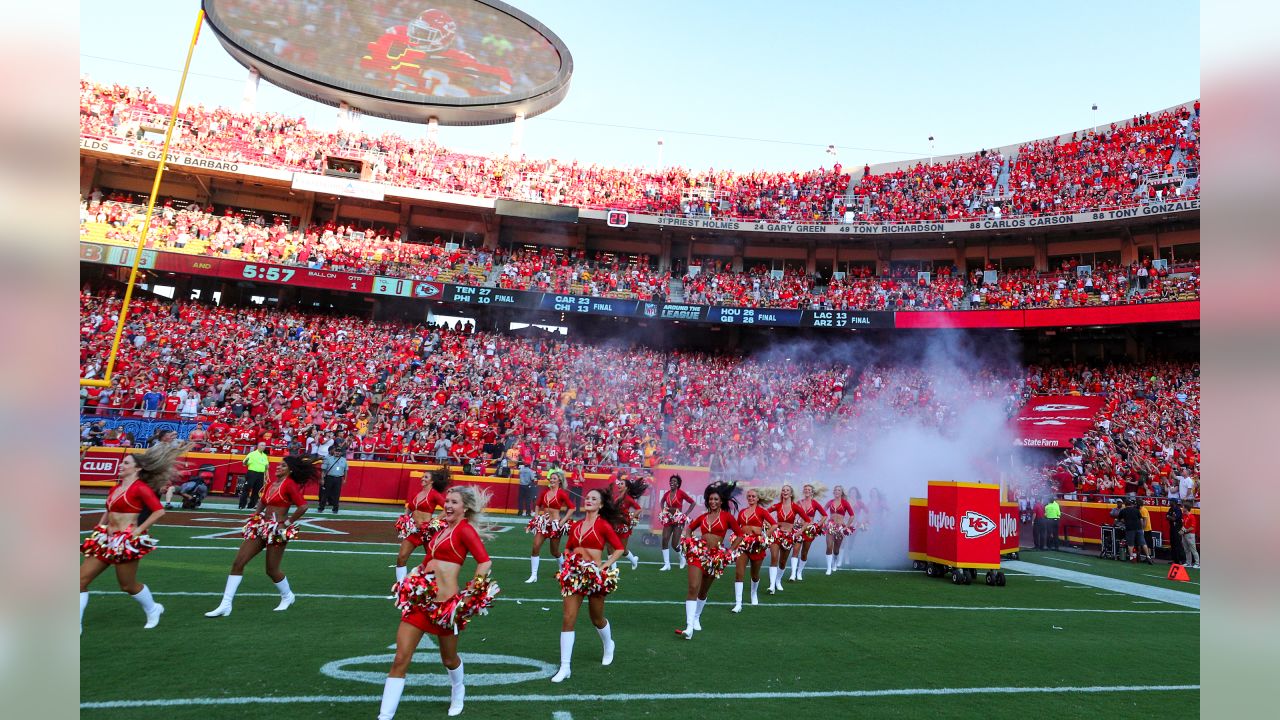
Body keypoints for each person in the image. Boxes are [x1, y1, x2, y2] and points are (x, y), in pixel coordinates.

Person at [378, 485, 497, 718]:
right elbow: (429, 559)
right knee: (401, 658)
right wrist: (416, 573)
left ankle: (458, 689)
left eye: (454, 502)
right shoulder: (441, 529)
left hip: (446, 608)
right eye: (447, 501)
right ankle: (384, 716)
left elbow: (484, 561)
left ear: (465, 508)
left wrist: (474, 590)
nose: (448, 505)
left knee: (449, 658)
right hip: (422, 604)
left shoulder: (464, 531)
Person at [79, 442, 188, 633]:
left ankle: (153, 608)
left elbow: (158, 511)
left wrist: (138, 531)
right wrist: (101, 525)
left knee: (127, 585)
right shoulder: (115, 488)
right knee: (79, 581)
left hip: (125, 542)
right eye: (122, 463)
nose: (121, 466)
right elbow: (109, 509)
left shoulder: (140, 489)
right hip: (105, 540)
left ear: (137, 468)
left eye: (126, 463)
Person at [205, 454, 323, 617]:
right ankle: (225, 604)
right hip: (261, 526)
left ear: (290, 470)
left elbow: (303, 507)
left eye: (282, 466)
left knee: (271, 570)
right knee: (238, 562)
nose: (278, 467)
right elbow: (262, 501)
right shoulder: (270, 484)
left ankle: (288, 596)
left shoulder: (289, 485)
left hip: (278, 530)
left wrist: (287, 523)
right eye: (279, 465)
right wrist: (256, 515)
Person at [550, 487, 626, 683]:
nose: (589, 500)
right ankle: (565, 667)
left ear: (600, 505)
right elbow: (568, 547)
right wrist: (568, 557)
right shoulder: (576, 525)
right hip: (575, 576)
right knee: (568, 618)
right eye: (588, 497)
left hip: (595, 577)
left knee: (597, 618)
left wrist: (605, 565)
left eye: (594, 499)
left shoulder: (603, 525)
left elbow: (619, 549)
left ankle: (609, 644)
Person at [676, 481, 742, 639]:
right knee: (693, 587)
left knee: (703, 591)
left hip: (715, 558)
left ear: (721, 502)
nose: (713, 502)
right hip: (699, 554)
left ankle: (697, 616)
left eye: (716, 499)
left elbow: (739, 534)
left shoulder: (727, 517)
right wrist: (689, 542)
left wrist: (729, 551)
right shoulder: (703, 516)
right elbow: (689, 528)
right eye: (710, 499)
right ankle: (689, 627)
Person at [394, 468, 450, 584]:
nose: (422, 478)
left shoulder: (434, 494)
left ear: (432, 481)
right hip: (414, 531)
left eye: (426, 477)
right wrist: (404, 518)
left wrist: (436, 519)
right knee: (401, 558)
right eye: (423, 476)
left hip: (427, 532)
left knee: (433, 560)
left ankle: (441, 585)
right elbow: (410, 508)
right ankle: (400, 587)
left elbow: (447, 508)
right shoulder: (417, 493)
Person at [525, 471, 574, 584]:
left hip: (555, 525)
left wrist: (562, 521)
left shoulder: (561, 493)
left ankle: (563, 570)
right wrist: (537, 517)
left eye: (554, 478)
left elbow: (572, 508)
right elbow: (537, 505)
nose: (551, 480)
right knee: (535, 546)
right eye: (551, 478)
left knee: (554, 551)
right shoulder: (545, 492)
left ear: (559, 481)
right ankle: (533, 575)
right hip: (543, 524)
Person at [731, 488, 773, 612]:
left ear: (757, 498)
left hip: (756, 545)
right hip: (743, 544)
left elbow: (774, 524)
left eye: (753, 496)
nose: (751, 498)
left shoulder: (762, 511)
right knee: (739, 573)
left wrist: (765, 536)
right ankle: (738, 604)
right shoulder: (742, 512)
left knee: (754, 575)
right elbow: (737, 526)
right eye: (749, 496)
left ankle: (753, 593)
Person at [767, 484, 811, 594]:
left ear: (791, 493)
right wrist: (770, 526)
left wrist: (798, 533)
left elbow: (807, 521)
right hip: (777, 535)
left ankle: (778, 581)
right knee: (774, 557)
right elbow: (764, 514)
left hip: (789, 537)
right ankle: (772, 586)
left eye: (787, 490)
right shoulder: (777, 505)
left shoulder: (795, 507)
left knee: (782, 562)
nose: (785, 491)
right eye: (783, 490)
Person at [657, 474, 695, 571]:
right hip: (669, 519)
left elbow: (693, 502)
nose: (672, 483)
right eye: (671, 481)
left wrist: (685, 514)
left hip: (678, 520)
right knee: (665, 539)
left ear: (678, 484)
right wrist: (663, 511)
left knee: (674, 544)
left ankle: (682, 557)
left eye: (674, 481)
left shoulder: (681, 493)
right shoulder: (666, 494)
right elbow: (662, 502)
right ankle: (667, 564)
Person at [792, 483, 828, 581]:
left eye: (809, 489)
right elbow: (792, 513)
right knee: (795, 550)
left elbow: (825, 515)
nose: (807, 491)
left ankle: (799, 572)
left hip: (809, 530)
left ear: (812, 492)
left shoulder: (815, 503)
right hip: (799, 528)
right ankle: (792, 574)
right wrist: (793, 522)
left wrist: (817, 525)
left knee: (804, 553)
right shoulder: (799, 502)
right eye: (805, 489)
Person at [611, 477, 648, 570]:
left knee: (623, 550)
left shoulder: (628, 499)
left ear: (626, 488)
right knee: (611, 547)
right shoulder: (616, 497)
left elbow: (639, 509)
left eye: (621, 484)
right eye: (619, 484)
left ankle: (634, 561)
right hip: (615, 524)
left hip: (623, 526)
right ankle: (614, 570)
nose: (619, 485)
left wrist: (630, 518)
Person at [823, 485, 855, 575]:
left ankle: (835, 563)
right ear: (833, 492)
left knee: (836, 549)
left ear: (841, 492)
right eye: (835, 490)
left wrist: (847, 526)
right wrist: (824, 522)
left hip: (840, 527)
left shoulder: (845, 503)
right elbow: (823, 512)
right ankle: (828, 568)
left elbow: (852, 515)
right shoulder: (830, 502)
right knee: (829, 546)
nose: (837, 491)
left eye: (839, 490)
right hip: (830, 526)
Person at [318, 445, 349, 514]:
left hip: (338, 478)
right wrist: (322, 479)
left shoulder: (344, 460)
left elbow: (346, 470)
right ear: (334, 452)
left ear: (341, 453)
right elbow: (323, 470)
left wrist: (345, 479)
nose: (337, 453)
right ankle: (321, 508)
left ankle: (335, 509)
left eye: (339, 451)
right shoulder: (328, 458)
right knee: (325, 494)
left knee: (336, 494)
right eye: (336, 451)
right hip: (329, 477)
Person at [240, 441, 270, 510]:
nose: (263, 447)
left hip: (261, 474)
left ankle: (252, 505)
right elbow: (244, 464)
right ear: (258, 446)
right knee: (246, 489)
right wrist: (246, 461)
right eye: (262, 445)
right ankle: (242, 505)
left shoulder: (265, 456)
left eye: (264, 446)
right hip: (252, 473)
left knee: (257, 490)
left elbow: (266, 467)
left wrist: (266, 475)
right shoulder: (252, 454)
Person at [1180, 499, 1199, 568]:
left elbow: (1192, 527)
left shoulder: (1192, 516)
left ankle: (1197, 563)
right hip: (1185, 534)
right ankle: (1188, 563)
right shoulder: (1184, 516)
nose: (1182, 508)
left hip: (1190, 535)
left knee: (1193, 549)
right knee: (1186, 549)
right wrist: (1182, 531)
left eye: (1183, 507)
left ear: (1186, 508)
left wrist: (1184, 531)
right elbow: (1184, 525)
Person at [1166, 499, 1186, 566]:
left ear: (1174, 502)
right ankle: (1175, 560)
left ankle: (1182, 560)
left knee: (1178, 544)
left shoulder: (1178, 509)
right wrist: (1170, 517)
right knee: (1172, 544)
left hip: (1177, 529)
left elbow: (1175, 519)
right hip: (1172, 528)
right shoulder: (1170, 509)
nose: (1169, 502)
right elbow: (1167, 517)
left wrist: (1170, 517)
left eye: (1170, 501)